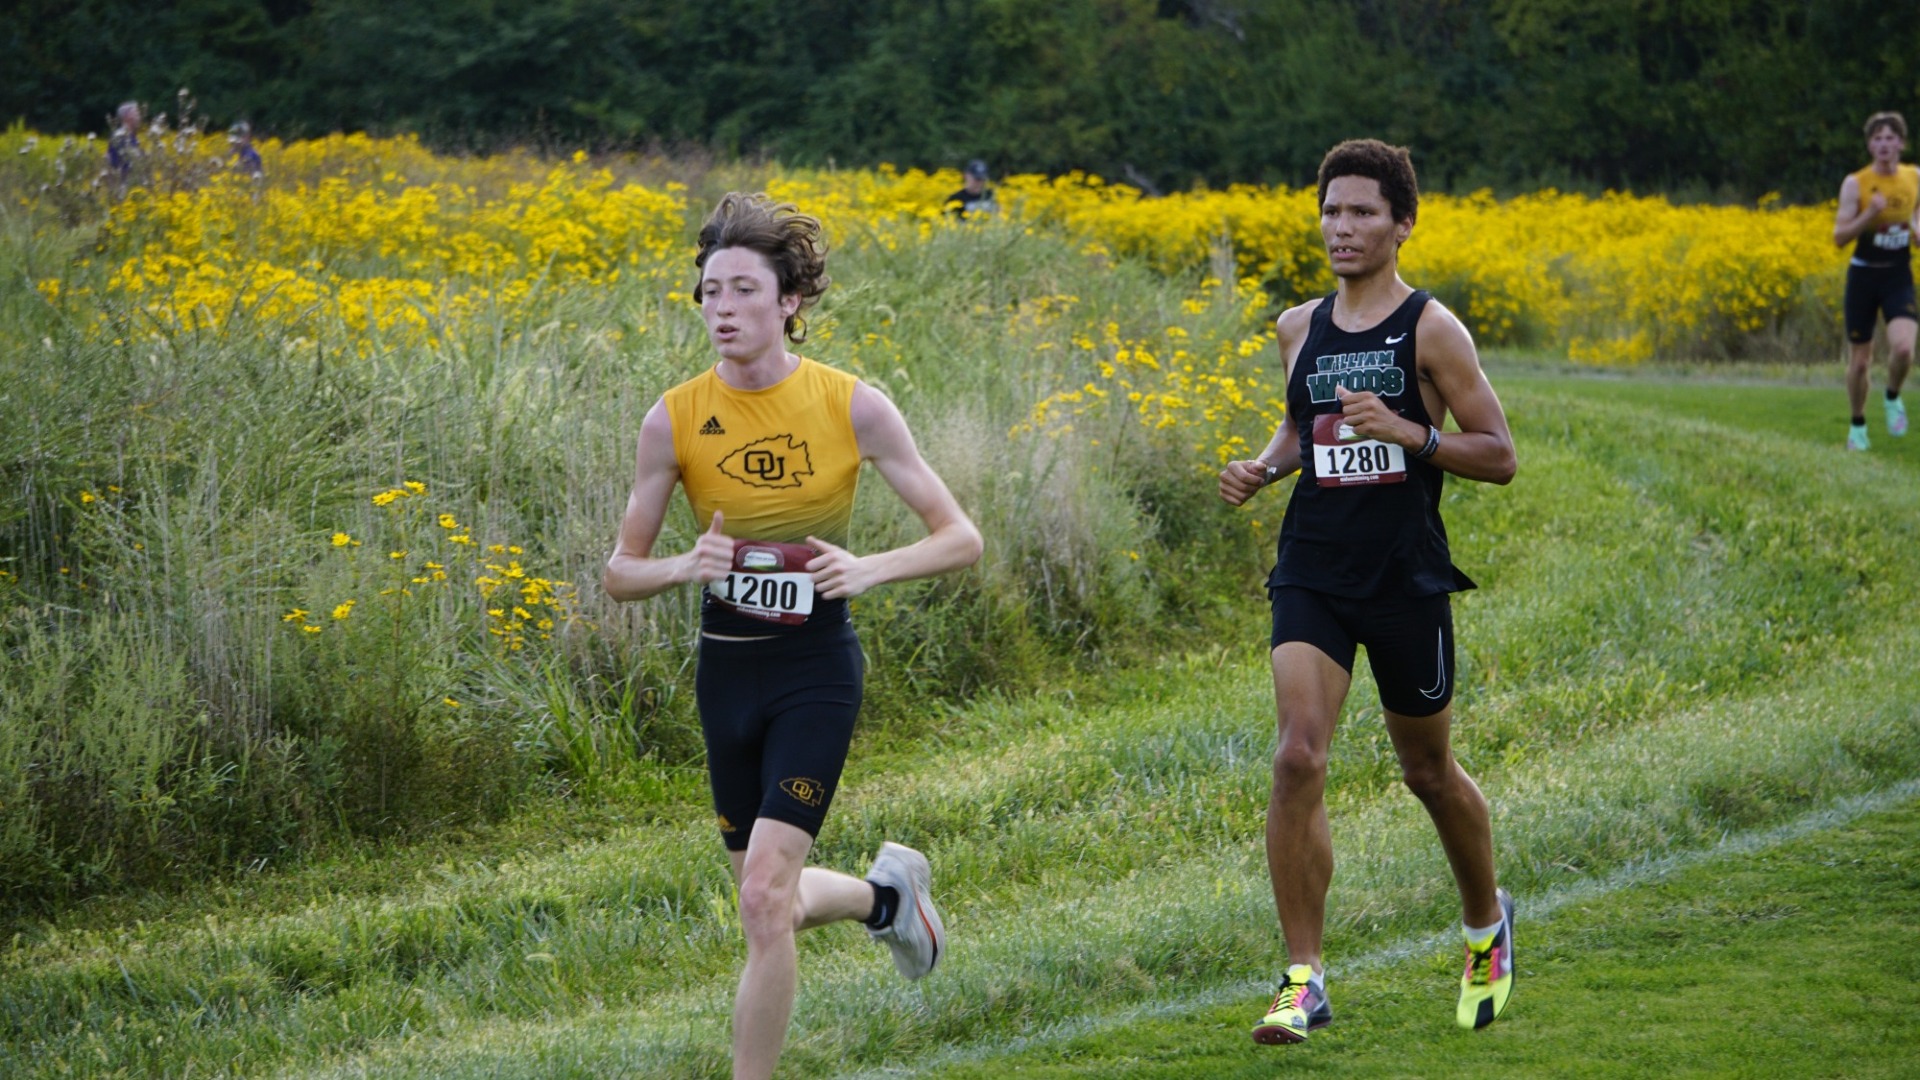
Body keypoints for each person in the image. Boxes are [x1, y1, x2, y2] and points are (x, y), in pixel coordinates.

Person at [604, 192, 982, 1080]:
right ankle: (885, 899)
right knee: (759, 899)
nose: (722, 309)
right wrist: (682, 567)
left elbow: (960, 537)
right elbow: (621, 572)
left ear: (789, 303)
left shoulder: (853, 406)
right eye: (708, 292)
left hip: (816, 667)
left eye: (742, 290)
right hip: (726, 673)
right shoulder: (674, 418)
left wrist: (868, 567)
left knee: (767, 898)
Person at [1217, 138, 1519, 1044]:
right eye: (1331, 211)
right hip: (1312, 563)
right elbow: (1301, 425)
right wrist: (1265, 469)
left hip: (1404, 576)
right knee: (1297, 757)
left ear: (1401, 224)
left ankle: (1484, 929)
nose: (1341, 228)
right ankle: (1302, 978)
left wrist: (1407, 433)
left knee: (1428, 772)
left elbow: (1499, 455)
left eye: (1361, 213)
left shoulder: (1432, 329)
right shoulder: (1297, 326)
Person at [1832, 110, 1918, 451]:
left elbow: (1917, 210)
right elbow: (1839, 236)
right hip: (1864, 277)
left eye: (1890, 138)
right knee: (1861, 361)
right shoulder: (1856, 184)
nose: (1884, 144)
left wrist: (1917, 227)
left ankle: (1893, 397)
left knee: (1903, 348)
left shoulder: (1914, 177)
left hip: (1898, 275)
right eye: (1877, 138)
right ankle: (1857, 426)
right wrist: (1869, 214)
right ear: (1870, 145)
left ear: (1901, 143)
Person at [106, 101, 143, 177]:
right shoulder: (119, 138)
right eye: (136, 114)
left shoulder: (132, 137)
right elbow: (115, 164)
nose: (139, 117)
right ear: (128, 117)